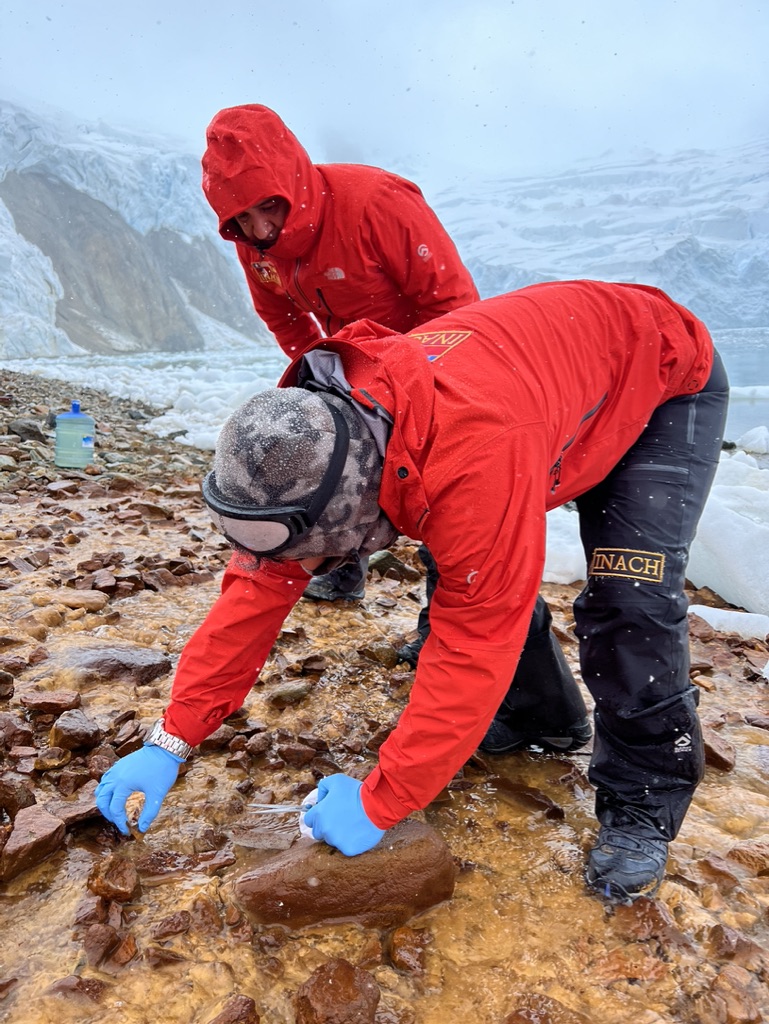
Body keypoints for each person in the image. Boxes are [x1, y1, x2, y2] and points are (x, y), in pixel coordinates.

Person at [95, 280, 729, 904]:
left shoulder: (470, 457)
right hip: (552, 395)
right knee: (472, 562)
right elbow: (252, 594)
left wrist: (383, 801)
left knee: (629, 597)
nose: (295, 568)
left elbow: (476, 636)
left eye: (310, 551)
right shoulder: (317, 454)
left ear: (352, 518)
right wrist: (169, 741)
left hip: (662, 381)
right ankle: (544, 719)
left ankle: (644, 801)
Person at [201, 103, 479, 605]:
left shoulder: (378, 202)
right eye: (242, 218)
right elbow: (282, 315)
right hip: (349, 359)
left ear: (291, 182)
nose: (261, 230)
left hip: (428, 356)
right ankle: (342, 566)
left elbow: (453, 305)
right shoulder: (253, 243)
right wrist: (323, 379)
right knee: (332, 463)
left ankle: (444, 615)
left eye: (269, 208)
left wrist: (426, 386)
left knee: (442, 487)